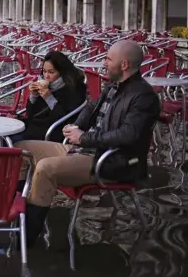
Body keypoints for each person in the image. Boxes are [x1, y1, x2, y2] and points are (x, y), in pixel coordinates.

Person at [16, 40, 160, 246]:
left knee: (45, 168)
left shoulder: (144, 96)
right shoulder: (113, 86)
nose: (104, 63)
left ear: (124, 64)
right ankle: (17, 214)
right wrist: (74, 126)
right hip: (86, 149)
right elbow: (91, 108)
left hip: (112, 162)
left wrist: (84, 137)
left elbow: (128, 135)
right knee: (20, 150)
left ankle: (26, 239)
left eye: (109, 59)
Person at [12, 51, 87, 143]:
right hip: (34, 128)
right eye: (44, 71)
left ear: (62, 72)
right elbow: (30, 115)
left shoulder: (74, 90)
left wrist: (49, 98)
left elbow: (64, 120)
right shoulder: (48, 86)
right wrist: (34, 96)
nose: (46, 76)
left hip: (51, 134)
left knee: (6, 140)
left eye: (51, 72)